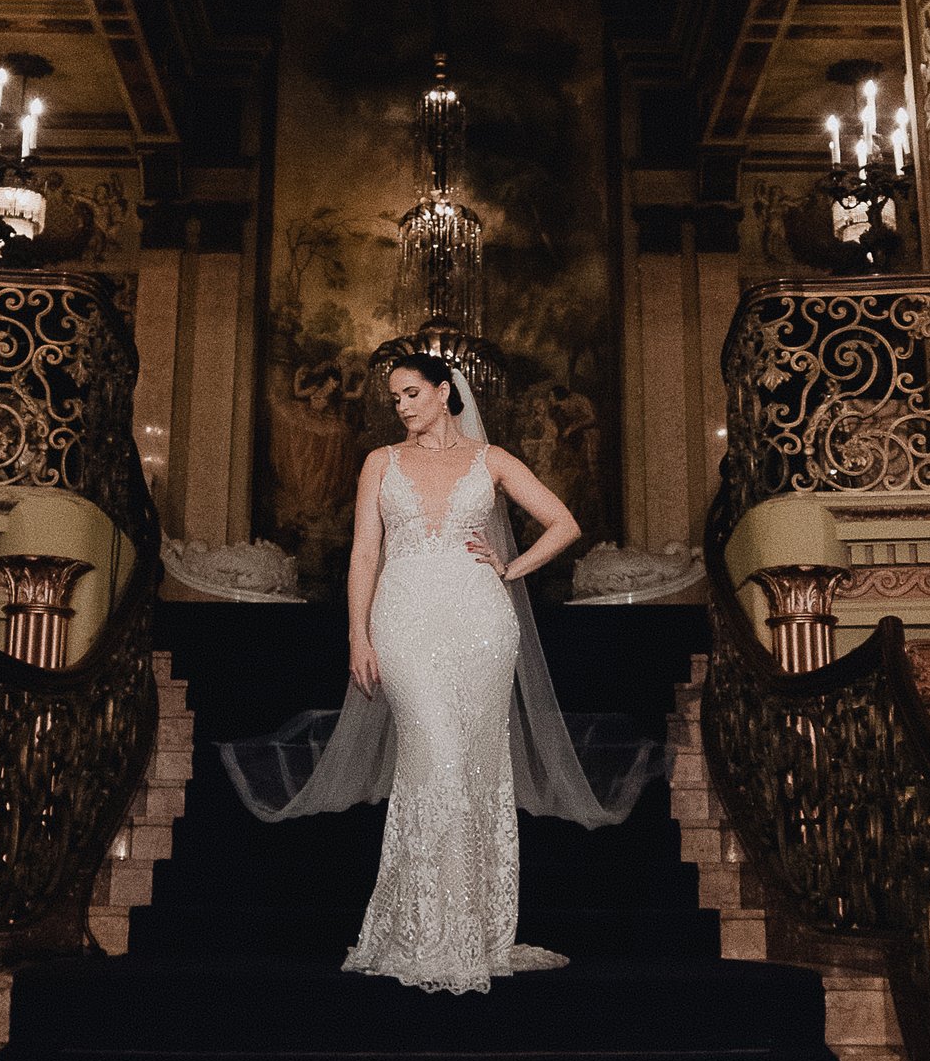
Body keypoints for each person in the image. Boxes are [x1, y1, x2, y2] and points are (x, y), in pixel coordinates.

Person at [223, 351, 655, 992]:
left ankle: (473, 934)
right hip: (402, 623)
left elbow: (565, 523)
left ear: (445, 391)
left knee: (477, 768)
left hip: (482, 625)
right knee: (437, 758)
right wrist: (357, 635)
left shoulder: (492, 460)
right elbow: (365, 551)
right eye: (394, 397)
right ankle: (430, 934)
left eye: (411, 394)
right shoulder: (381, 462)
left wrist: (512, 569)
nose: (400, 406)